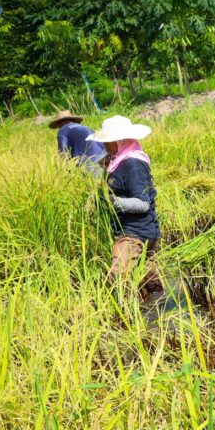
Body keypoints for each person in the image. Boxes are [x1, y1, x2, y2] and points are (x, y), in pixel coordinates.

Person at [85, 115, 163, 299]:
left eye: (108, 141)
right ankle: (158, 310)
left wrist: (110, 201)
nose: (104, 145)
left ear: (121, 141)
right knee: (149, 283)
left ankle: (125, 312)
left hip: (134, 234)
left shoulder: (132, 164)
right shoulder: (119, 160)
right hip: (142, 230)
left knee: (118, 277)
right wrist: (106, 168)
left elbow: (143, 203)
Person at [48, 110, 106, 174]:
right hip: (106, 160)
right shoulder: (85, 127)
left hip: (92, 166)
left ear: (59, 123)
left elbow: (63, 154)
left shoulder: (63, 130)